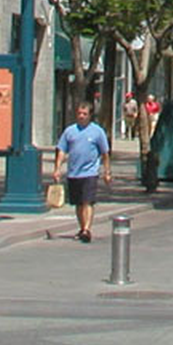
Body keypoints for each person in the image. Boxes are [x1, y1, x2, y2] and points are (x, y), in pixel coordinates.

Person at [53, 101, 111, 242]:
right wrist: (57, 168)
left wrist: (107, 171)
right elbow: (61, 150)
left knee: (87, 201)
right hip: (74, 172)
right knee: (78, 203)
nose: (81, 116)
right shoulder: (70, 131)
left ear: (90, 115)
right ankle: (82, 227)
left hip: (90, 172)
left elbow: (105, 153)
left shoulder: (97, 132)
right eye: (79, 113)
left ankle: (87, 229)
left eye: (84, 114)